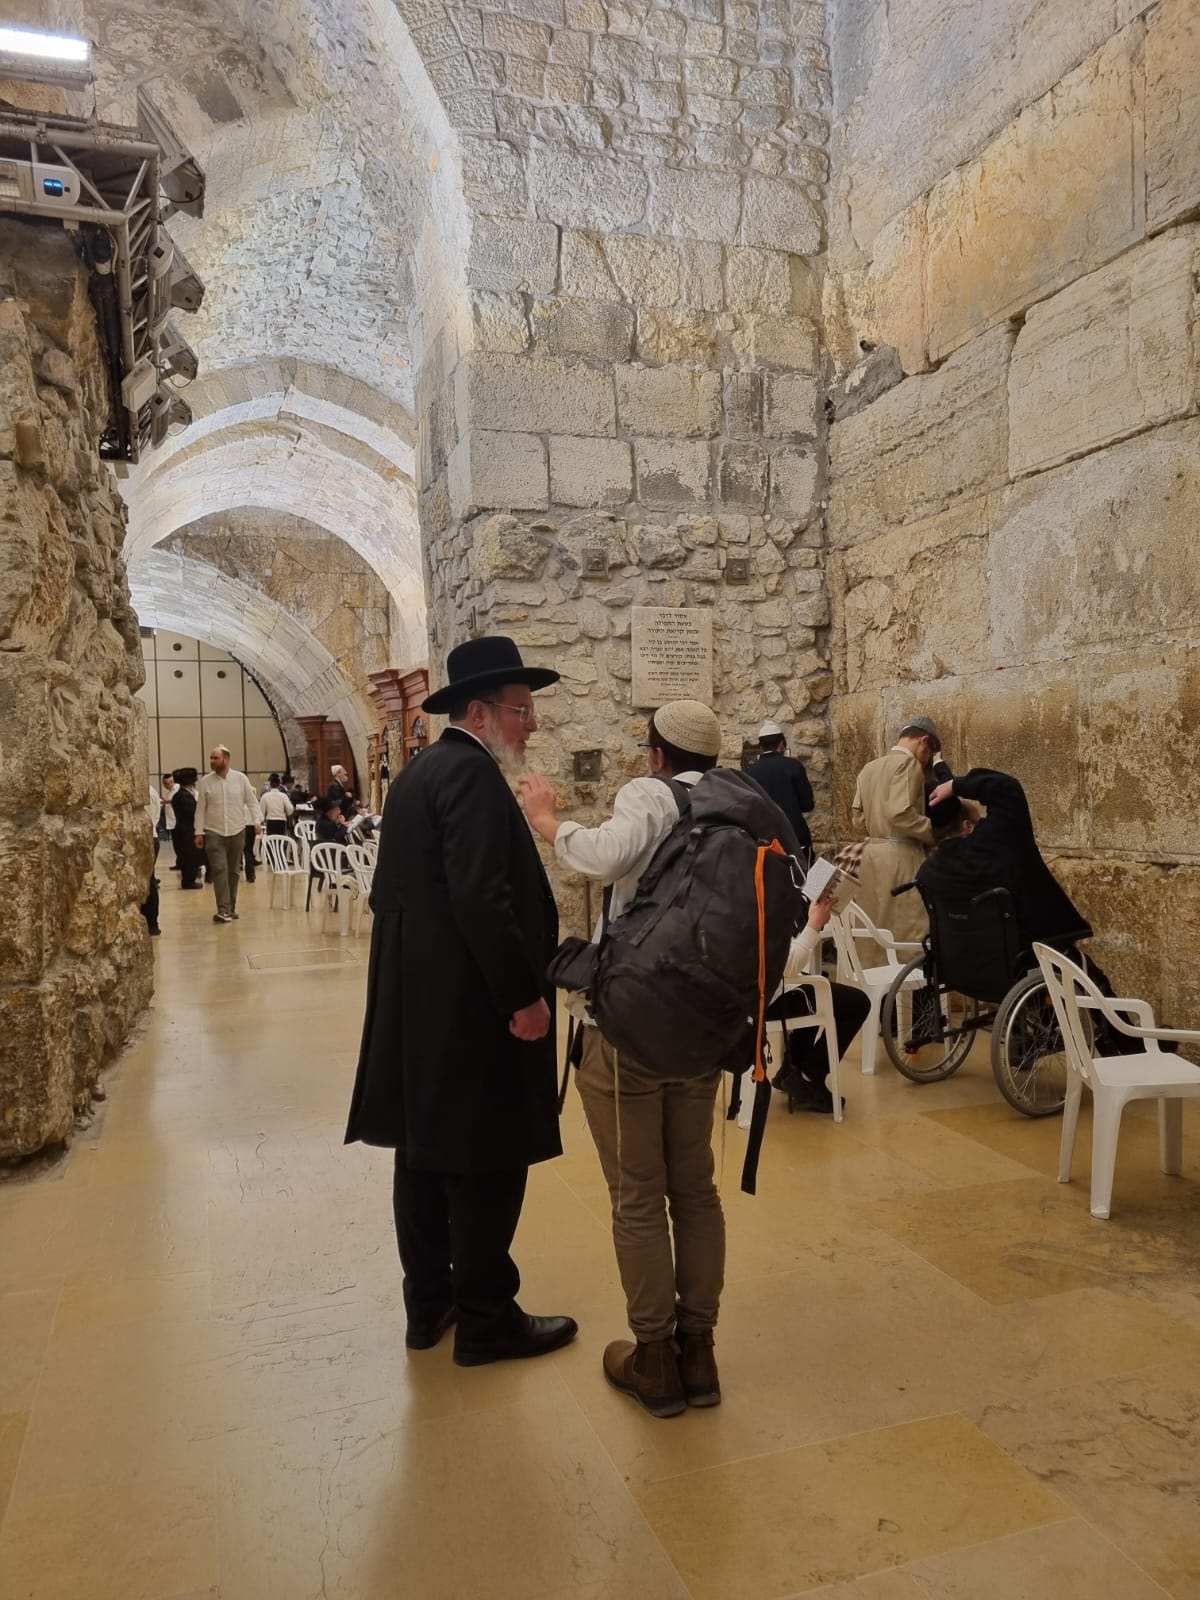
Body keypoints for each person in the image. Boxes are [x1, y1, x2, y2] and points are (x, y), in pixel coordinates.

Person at [345, 636, 576, 1366]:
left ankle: (430, 1302)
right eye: (521, 711)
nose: (531, 726)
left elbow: (398, 896)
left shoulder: (421, 773)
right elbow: (483, 897)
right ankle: (486, 1319)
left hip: (421, 1007)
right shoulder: (473, 778)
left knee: (423, 1153)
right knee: (485, 1156)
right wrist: (523, 996)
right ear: (480, 712)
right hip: (472, 1008)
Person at [519, 700, 729, 1419]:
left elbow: (604, 857)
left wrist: (550, 821)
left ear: (657, 753)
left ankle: (656, 1359)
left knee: (639, 1193)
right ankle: (699, 1352)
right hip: (705, 1026)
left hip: (637, 1024)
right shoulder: (738, 804)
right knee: (695, 1189)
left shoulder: (651, 793)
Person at [851, 716, 942, 954]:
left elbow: (858, 819)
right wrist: (933, 832)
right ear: (924, 741)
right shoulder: (909, 765)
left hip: (871, 857)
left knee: (874, 929)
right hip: (901, 855)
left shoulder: (869, 767)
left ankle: (873, 987)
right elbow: (899, 813)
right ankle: (908, 989)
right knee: (907, 930)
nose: (927, 760)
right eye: (930, 753)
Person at [195, 745, 263, 924]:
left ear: (226, 759)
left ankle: (231, 909)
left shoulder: (241, 779)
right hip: (213, 832)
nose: (212, 761)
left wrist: (257, 821)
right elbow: (200, 809)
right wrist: (198, 832)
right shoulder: (205, 782)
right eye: (211, 758)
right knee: (219, 869)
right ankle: (223, 910)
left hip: (237, 830)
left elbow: (252, 802)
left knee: (233, 871)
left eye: (215, 758)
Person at [748, 719, 815, 861]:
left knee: (774, 880)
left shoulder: (750, 772)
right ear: (781, 744)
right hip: (796, 836)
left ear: (761, 745)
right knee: (809, 878)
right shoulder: (794, 766)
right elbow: (808, 804)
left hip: (765, 840)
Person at [171, 769, 203, 888]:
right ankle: (189, 881)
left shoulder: (183, 794)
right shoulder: (182, 796)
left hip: (185, 829)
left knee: (190, 855)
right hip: (186, 830)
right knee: (189, 856)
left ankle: (190, 879)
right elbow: (192, 812)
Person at [140, 784, 162, 937]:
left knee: (148, 880)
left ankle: (151, 923)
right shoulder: (151, 791)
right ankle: (151, 923)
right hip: (151, 836)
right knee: (149, 880)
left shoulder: (144, 791)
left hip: (146, 837)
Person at [160, 773, 178, 866]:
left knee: (181, 844)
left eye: (167, 783)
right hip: (171, 822)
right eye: (164, 784)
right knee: (176, 845)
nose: (166, 785)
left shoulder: (178, 789)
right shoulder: (168, 793)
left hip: (178, 821)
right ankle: (179, 862)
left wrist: (167, 801)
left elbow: (178, 800)